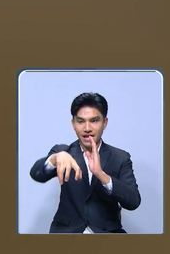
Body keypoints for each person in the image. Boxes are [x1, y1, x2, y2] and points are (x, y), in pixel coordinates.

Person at [29, 92, 141, 233]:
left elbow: (133, 202)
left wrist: (101, 175)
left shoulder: (120, 157)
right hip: (67, 234)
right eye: (80, 121)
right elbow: (37, 174)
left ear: (105, 122)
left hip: (107, 234)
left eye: (94, 121)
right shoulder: (63, 152)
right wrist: (54, 159)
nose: (87, 128)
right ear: (73, 124)